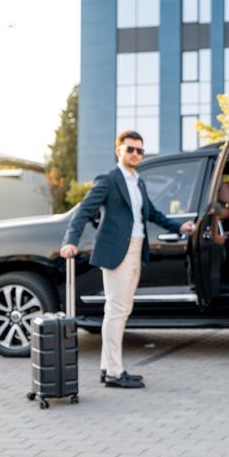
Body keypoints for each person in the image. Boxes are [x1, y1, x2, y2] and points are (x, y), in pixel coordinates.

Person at [60, 131, 195, 389]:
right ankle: (114, 372)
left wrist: (179, 227)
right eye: (130, 149)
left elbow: (152, 213)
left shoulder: (138, 181)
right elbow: (84, 212)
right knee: (117, 311)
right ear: (118, 150)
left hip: (136, 250)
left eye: (139, 150)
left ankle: (107, 367)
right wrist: (70, 240)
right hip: (117, 253)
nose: (135, 154)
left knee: (120, 311)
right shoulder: (109, 180)